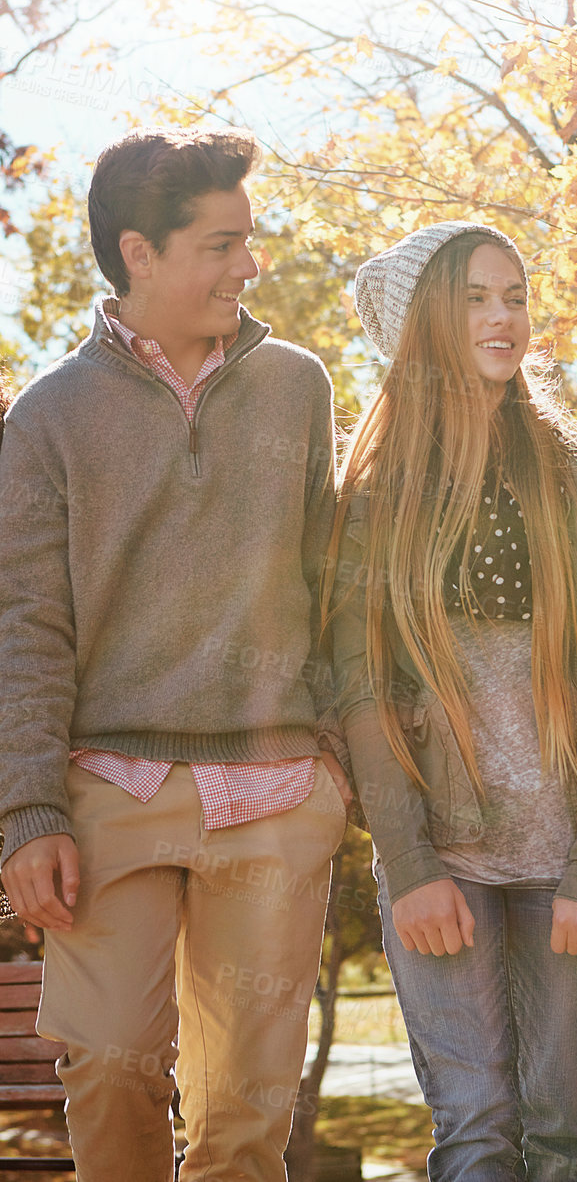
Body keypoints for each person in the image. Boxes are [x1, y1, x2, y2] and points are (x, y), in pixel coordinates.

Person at [0, 127, 348, 1182]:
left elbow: (333, 578)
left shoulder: (298, 385)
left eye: (249, 239)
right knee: (108, 1064)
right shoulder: (51, 414)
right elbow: (24, 623)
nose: (250, 265)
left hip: (280, 779)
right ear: (139, 251)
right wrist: (29, 810)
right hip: (112, 781)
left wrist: (334, 752)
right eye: (222, 243)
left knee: (245, 1109)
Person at [326, 222, 577, 1182]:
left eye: (512, 294)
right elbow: (360, 693)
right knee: (472, 1124)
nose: (504, 315)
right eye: (474, 297)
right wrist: (410, 862)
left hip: (567, 854)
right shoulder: (375, 494)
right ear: (424, 323)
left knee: (562, 1128)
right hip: (443, 857)